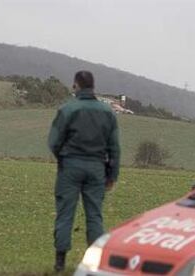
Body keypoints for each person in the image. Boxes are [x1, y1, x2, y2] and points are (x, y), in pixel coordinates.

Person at [48, 71, 120, 272]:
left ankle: (60, 262)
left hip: (70, 166)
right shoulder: (107, 112)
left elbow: (53, 142)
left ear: (76, 86)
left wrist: (63, 158)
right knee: (95, 215)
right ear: (93, 87)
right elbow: (114, 147)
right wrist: (112, 174)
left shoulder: (68, 109)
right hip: (97, 168)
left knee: (65, 214)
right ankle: (94, 262)